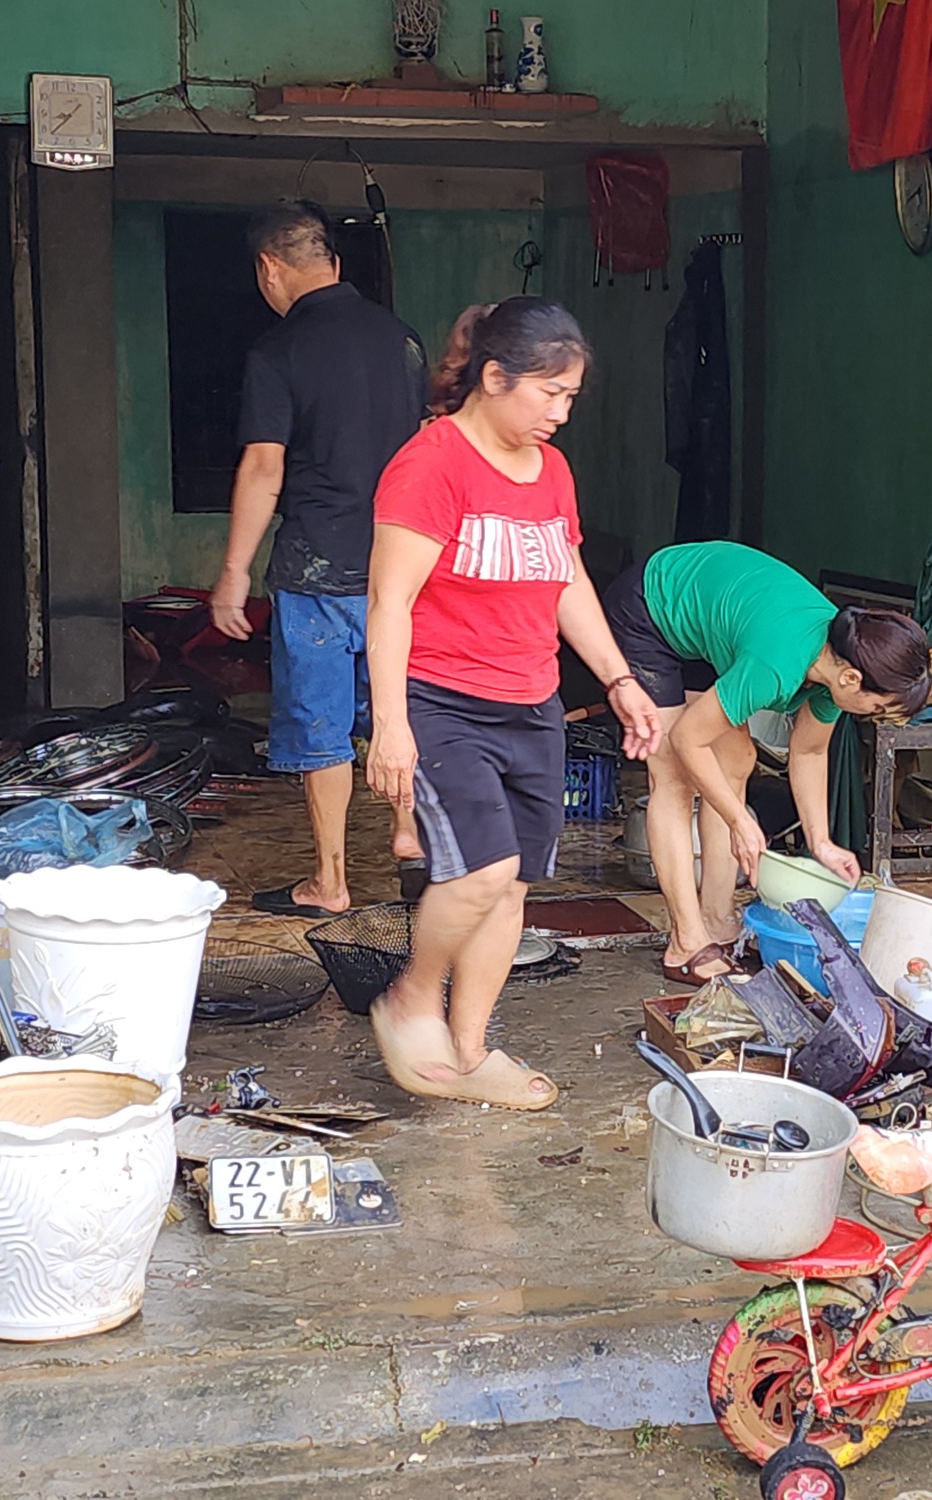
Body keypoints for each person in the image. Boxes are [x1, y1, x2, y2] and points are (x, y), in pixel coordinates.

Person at [362, 298, 662, 1109]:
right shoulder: (430, 466)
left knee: (514, 885)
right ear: (494, 378)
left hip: (531, 703)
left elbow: (566, 580)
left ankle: (468, 1052)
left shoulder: (551, 470)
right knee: (481, 867)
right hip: (443, 702)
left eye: (570, 398)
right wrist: (390, 726)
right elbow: (388, 602)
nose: (560, 415)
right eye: (548, 394)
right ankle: (411, 998)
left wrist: (619, 680)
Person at [209, 199, 426, 918]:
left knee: (321, 726)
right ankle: (408, 834)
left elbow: (264, 468)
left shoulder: (278, 352)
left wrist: (234, 569)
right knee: (394, 710)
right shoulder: (401, 340)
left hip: (317, 567)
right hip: (401, 567)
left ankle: (330, 881)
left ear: (270, 268)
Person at [602, 541, 931, 984]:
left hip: (707, 622)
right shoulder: (778, 663)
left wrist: (821, 843)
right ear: (852, 678)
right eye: (876, 708)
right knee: (675, 776)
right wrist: (740, 820)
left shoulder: (835, 673)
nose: (874, 718)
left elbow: (810, 751)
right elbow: (686, 738)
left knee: (736, 758)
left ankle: (716, 918)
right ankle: (685, 941)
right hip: (651, 608)